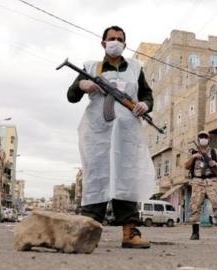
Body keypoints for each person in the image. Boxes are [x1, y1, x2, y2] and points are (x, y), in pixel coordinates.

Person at [67, 25, 155, 249]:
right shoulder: (90, 66)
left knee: (125, 179)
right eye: (111, 38)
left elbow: (146, 94)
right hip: (98, 134)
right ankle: (88, 232)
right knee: (97, 179)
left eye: (120, 39)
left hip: (127, 135)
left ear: (125, 44)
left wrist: (145, 104)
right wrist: (82, 84)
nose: (115, 41)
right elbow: (71, 96)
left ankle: (130, 233)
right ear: (103, 43)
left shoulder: (135, 67)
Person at [184, 131, 217, 240]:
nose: (203, 139)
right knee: (195, 206)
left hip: (211, 180)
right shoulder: (193, 152)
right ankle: (195, 233)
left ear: (208, 139)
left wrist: (215, 164)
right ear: (198, 139)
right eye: (201, 137)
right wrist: (194, 157)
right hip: (197, 181)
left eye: (205, 137)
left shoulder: (214, 151)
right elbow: (186, 166)